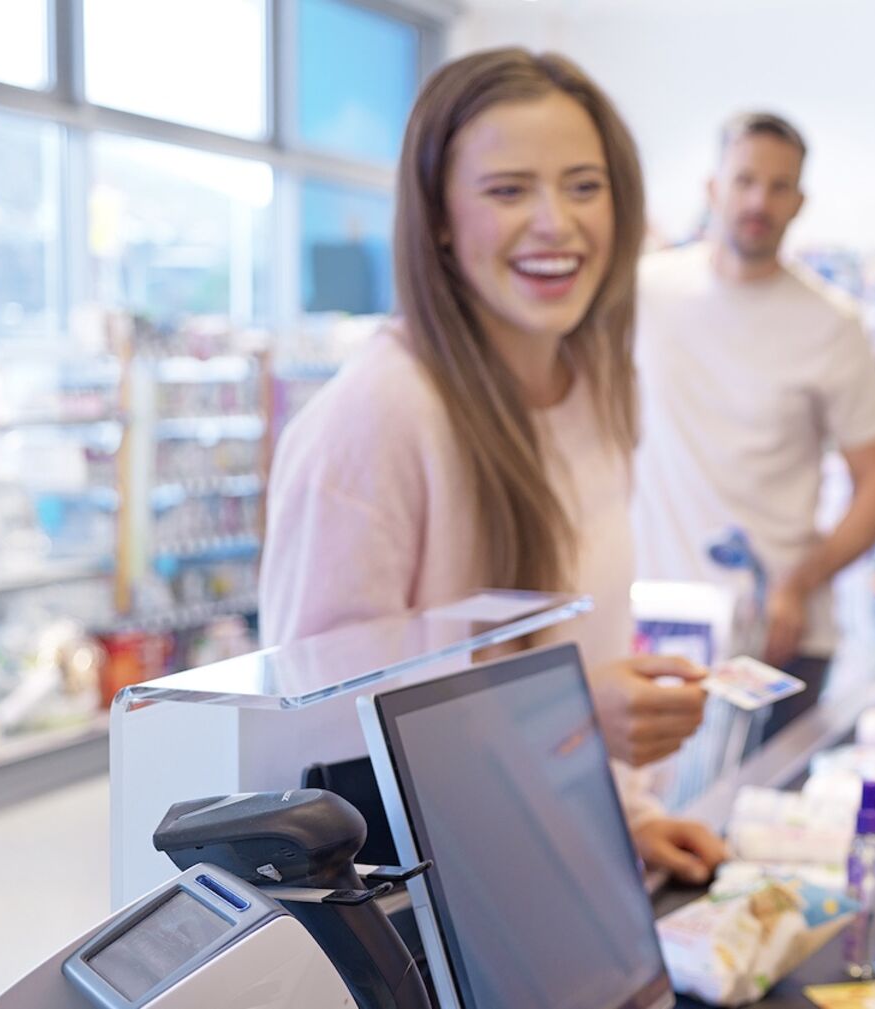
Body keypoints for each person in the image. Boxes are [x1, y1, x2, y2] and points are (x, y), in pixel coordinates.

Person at [260, 48, 726, 884]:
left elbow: (581, 643)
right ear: (438, 216)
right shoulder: (378, 414)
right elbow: (321, 738)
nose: (555, 222)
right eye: (508, 190)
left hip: (552, 862)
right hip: (431, 901)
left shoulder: (596, 385)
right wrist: (572, 717)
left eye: (584, 185)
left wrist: (628, 814)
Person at [632, 111, 875, 738]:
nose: (759, 200)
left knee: (757, 823)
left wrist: (799, 582)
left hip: (780, 638)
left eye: (780, 186)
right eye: (746, 179)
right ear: (712, 187)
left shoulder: (832, 324)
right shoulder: (643, 294)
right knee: (642, 823)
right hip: (656, 630)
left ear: (800, 200)